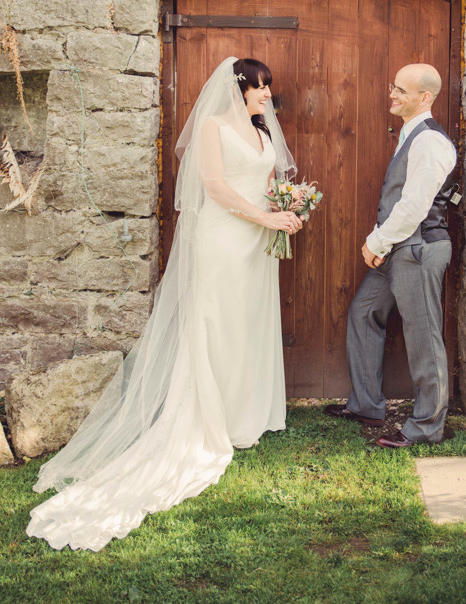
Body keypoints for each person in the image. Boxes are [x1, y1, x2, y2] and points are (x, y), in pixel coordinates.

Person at [27, 57, 302, 551]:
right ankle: (212, 419)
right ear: (241, 87)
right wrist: (265, 218)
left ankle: (248, 416)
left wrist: (285, 206)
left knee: (248, 327)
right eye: (262, 88)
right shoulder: (214, 128)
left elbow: (265, 181)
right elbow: (215, 188)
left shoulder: (263, 133)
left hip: (258, 247)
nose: (267, 95)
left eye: (268, 89)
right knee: (218, 325)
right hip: (224, 240)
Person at [325, 63, 457, 447]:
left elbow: (414, 205)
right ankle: (368, 404)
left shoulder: (430, 142)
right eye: (392, 86)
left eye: (401, 90)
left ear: (425, 97)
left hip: (417, 248)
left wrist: (376, 242)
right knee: (365, 311)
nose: (393, 95)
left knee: (423, 337)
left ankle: (427, 427)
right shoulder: (410, 134)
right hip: (399, 245)